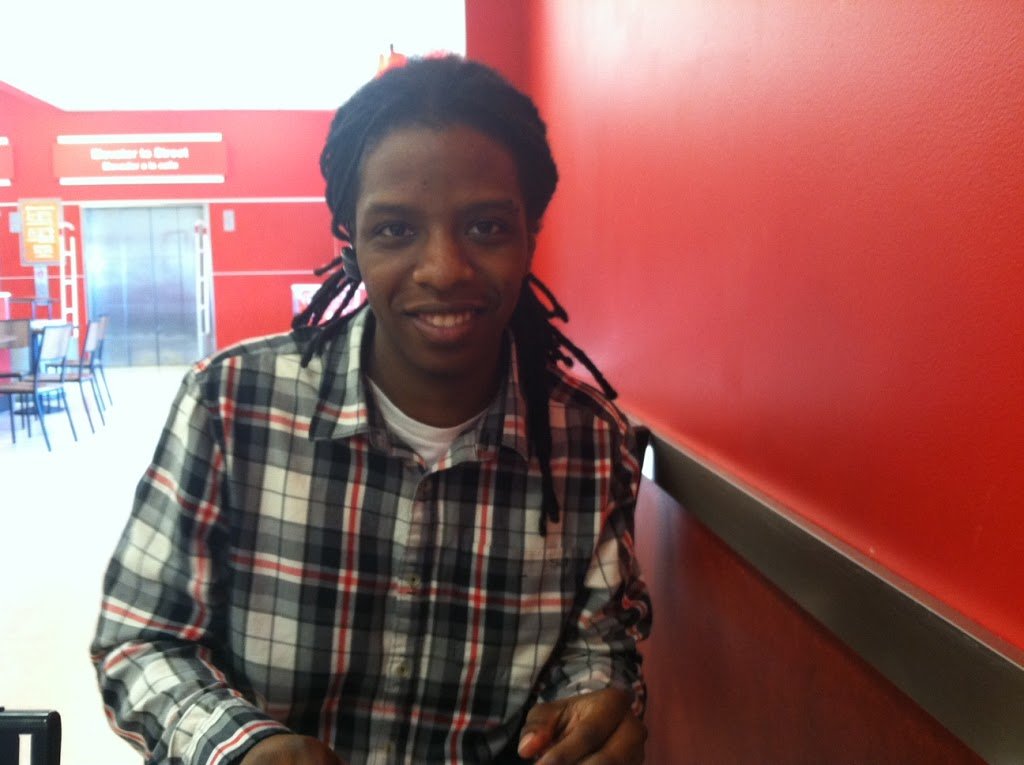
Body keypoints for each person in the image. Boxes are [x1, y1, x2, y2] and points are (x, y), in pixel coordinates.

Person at [91, 55, 651, 765]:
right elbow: (142, 639)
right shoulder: (229, 404)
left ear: (529, 236)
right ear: (351, 245)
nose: (443, 269)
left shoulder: (590, 444)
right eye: (395, 230)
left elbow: (595, 651)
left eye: (485, 227)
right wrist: (241, 746)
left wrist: (596, 709)